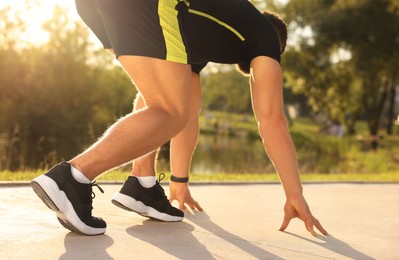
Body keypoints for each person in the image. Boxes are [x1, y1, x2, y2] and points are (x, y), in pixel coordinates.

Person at [31, 0, 327, 237]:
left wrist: (179, 181)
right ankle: (72, 178)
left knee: (167, 104)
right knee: (171, 110)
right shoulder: (264, 35)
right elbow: (271, 120)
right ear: (279, 43)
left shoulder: (201, 30)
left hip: (97, 7)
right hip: (147, 6)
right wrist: (294, 193)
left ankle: (142, 185)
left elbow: (190, 114)